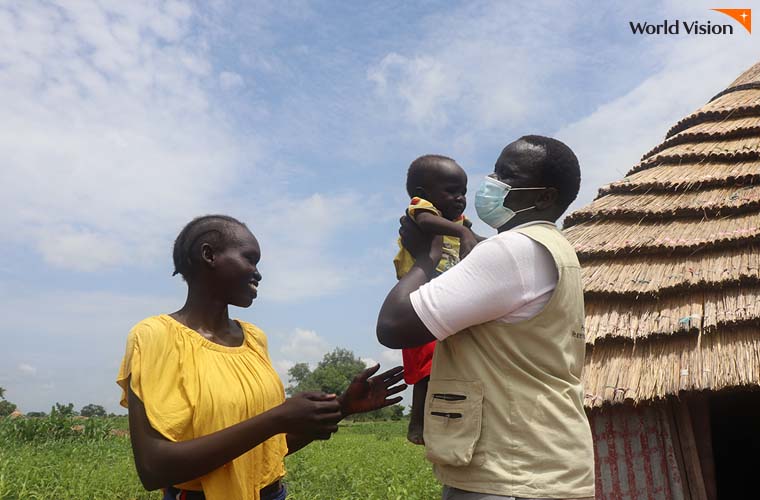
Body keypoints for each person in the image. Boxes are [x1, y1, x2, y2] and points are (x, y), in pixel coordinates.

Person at [117, 215, 406, 500]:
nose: (258, 273)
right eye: (250, 259)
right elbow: (154, 468)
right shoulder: (154, 336)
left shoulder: (254, 339)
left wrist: (341, 407)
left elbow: (265, 450)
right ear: (209, 255)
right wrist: (277, 418)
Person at [377, 136, 595, 500]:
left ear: (544, 196)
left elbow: (393, 326)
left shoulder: (511, 251)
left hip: (507, 476)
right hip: (548, 465)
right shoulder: (556, 250)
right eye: (495, 170)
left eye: (507, 175)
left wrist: (424, 259)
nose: (492, 181)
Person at [392, 154, 481, 445]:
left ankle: (443, 422)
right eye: (452, 190)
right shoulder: (422, 211)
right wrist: (460, 233)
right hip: (417, 304)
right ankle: (416, 424)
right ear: (424, 194)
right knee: (424, 372)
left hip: (442, 302)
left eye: (463, 191)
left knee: (444, 366)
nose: (460, 198)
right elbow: (428, 223)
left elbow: (475, 237)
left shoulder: (459, 222)